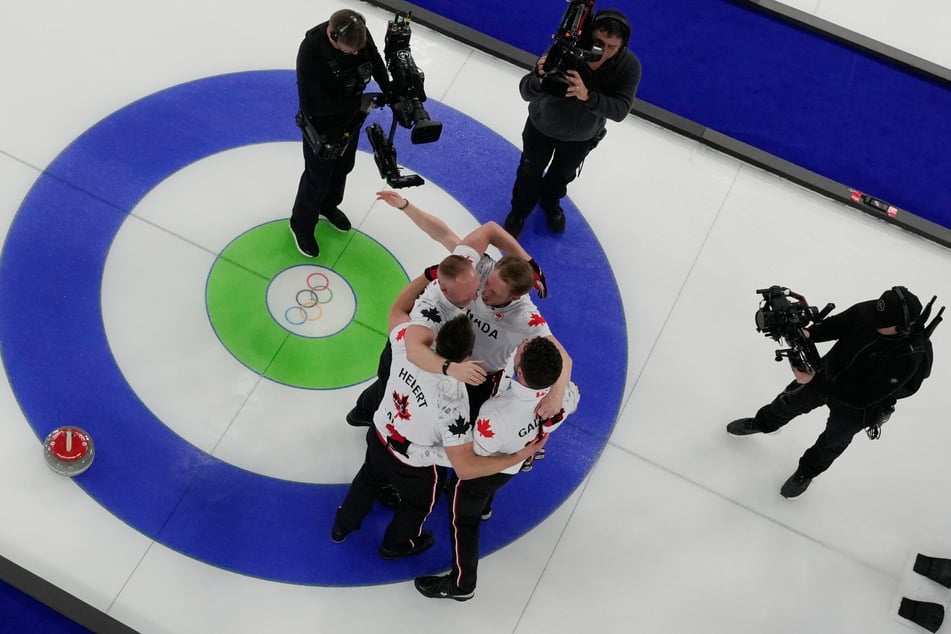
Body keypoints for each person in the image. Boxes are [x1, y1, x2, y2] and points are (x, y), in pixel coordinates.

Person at [332, 314, 545, 559]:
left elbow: (397, 312)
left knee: (368, 478)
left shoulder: (408, 346)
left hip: (380, 434)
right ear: (469, 356)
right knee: (418, 504)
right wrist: (517, 457)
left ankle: (341, 526)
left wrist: (432, 275)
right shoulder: (455, 401)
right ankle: (396, 543)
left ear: (437, 336)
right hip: (413, 465)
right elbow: (463, 465)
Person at [415, 336, 580, 601]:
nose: (519, 346)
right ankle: (485, 509)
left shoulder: (496, 414)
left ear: (521, 371)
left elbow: (473, 460)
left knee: (463, 521)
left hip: (486, 469)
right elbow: (572, 396)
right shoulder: (563, 395)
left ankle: (462, 584)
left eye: (521, 351)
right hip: (511, 465)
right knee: (490, 487)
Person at [727, 286, 932, 498]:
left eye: (881, 323)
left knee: (832, 441)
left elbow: (862, 398)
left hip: (858, 406)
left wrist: (813, 381)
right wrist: (809, 333)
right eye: (875, 314)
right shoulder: (873, 311)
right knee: (789, 401)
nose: (874, 321)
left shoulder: (909, 357)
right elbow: (839, 325)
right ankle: (764, 423)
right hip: (828, 372)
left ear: (902, 328)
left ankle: (806, 472)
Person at [502, 9, 641, 238]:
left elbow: (620, 110)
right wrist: (540, 78)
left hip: (581, 137)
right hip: (541, 127)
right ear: (589, 34)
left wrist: (588, 96)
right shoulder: (566, 50)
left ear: (622, 47)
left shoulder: (628, 67)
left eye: (611, 47)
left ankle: (550, 201)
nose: (603, 51)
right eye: (598, 42)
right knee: (529, 171)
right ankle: (519, 211)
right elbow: (525, 90)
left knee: (563, 175)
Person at [290, 9, 391, 257]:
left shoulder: (359, 34)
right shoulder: (311, 50)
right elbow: (311, 105)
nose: (356, 54)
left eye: (359, 48)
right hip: (321, 122)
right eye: (350, 50)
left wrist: (389, 89)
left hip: (350, 115)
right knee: (317, 178)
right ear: (333, 37)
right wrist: (359, 102)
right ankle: (301, 225)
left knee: (344, 165)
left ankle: (329, 205)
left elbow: (375, 60)